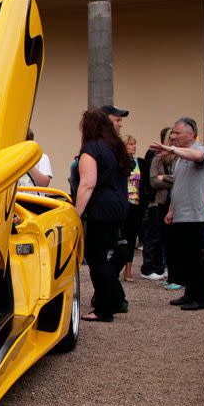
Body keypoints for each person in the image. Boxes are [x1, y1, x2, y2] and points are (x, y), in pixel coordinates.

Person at [74, 109, 131, 322]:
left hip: (101, 209)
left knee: (97, 258)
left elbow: (87, 184)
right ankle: (115, 300)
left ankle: (103, 309)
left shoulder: (91, 149)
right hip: (119, 205)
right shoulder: (116, 147)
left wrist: (76, 213)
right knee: (109, 254)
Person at [151, 117, 204, 311]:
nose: (173, 136)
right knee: (185, 258)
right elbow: (178, 185)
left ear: (191, 134)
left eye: (177, 133)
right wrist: (171, 210)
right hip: (180, 215)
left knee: (195, 258)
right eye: (173, 133)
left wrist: (170, 150)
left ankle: (201, 298)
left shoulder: (202, 150)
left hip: (194, 216)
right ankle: (189, 294)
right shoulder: (179, 159)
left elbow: (197, 156)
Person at [140, 127, 172, 281]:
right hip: (157, 202)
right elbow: (153, 181)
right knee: (154, 235)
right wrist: (171, 179)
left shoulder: (177, 159)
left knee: (165, 237)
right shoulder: (156, 158)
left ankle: (159, 267)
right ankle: (148, 268)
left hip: (170, 202)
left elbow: (179, 179)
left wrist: (164, 178)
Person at [121, 135, 144, 282]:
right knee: (121, 237)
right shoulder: (120, 162)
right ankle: (118, 267)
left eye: (134, 144)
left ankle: (128, 270)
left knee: (131, 237)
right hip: (124, 203)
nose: (133, 146)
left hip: (136, 203)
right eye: (130, 144)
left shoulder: (139, 162)